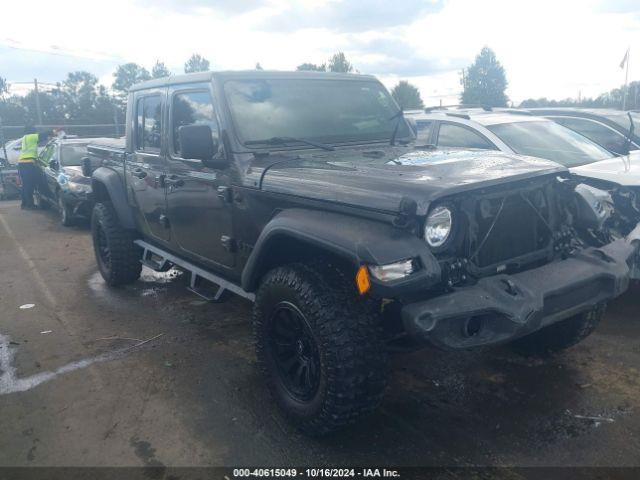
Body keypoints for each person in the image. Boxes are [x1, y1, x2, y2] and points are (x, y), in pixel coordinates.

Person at [17, 125, 41, 209]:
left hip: (21, 162)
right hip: (29, 163)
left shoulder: (25, 137)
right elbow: (44, 135)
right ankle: (30, 205)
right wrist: (54, 131)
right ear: (33, 130)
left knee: (25, 184)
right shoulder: (32, 136)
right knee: (30, 184)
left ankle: (24, 204)